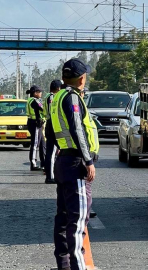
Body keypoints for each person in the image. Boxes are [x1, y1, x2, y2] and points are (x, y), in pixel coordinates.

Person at [51, 58, 99, 270]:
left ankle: (64, 265)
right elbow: (77, 129)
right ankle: (78, 266)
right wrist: (88, 160)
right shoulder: (72, 98)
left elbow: (51, 131)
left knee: (63, 219)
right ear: (81, 79)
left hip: (63, 160)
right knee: (78, 221)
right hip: (75, 163)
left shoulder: (57, 97)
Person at [43, 80, 62, 184]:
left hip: (51, 124)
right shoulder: (51, 97)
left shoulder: (47, 96)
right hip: (52, 124)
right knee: (52, 152)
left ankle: (51, 174)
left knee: (53, 151)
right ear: (58, 88)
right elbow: (52, 111)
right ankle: (50, 176)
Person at [25, 85, 46, 171]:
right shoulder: (33, 101)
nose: (41, 93)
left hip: (37, 123)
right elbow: (42, 109)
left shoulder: (35, 100)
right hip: (35, 123)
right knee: (35, 144)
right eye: (39, 92)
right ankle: (33, 163)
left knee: (42, 143)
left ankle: (44, 163)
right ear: (35, 93)